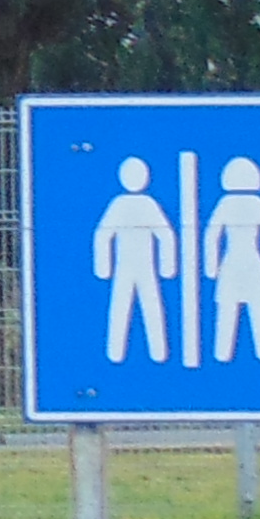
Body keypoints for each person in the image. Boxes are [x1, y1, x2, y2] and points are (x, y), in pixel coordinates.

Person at [93, 156, 180, 364]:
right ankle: (154, 353)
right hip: (139, 267)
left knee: (127, 306)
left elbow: (103, 235)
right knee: (144, 306)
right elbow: (166, 234)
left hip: (133, 267)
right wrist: (167, 267)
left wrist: (104, 268)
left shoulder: (126, 205)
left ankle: (130, 353)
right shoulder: (142, 204)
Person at [203, 157, 260, 364]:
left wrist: (211, 268)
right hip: (253, 263)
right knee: (257, 310)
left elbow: (212, 235)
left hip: (231, 263)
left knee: (229, 310)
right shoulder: (256, 204)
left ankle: (223, 355)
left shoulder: (226, 204)